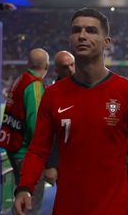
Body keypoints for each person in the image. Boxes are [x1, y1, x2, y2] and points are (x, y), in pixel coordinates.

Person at [13, 8, 128, 215]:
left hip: (114, 208)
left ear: (106, 41)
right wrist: (24, 187)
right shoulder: (53, 95)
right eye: (76, 30)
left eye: (91, 30)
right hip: (67, 208)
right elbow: (38, 150)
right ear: (70, 39)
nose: (82, 35)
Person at [0, 48, 50, 215]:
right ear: (47, 66)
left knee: (21, 204)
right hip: (26, 154)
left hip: (14, 148)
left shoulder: (21, 79)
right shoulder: (34, 85)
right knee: (30, 207)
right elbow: (36, 124)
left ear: (28, 63)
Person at [44, 50, 75, 185]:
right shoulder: (52, 95)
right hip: (64, 161)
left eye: (72, 64)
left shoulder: (88, 87)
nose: (70, 69)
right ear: (56, 70)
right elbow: (48, 132)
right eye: (64, 67)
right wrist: (51, 164)